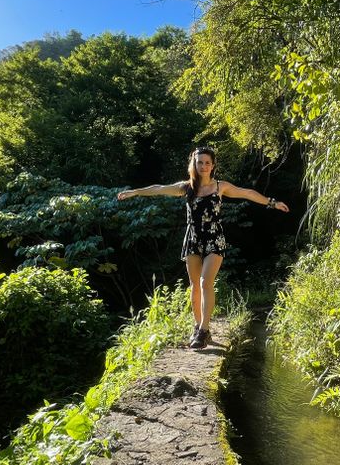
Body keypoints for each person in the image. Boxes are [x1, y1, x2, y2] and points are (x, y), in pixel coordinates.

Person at [117, 146, 289, 348]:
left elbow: (246, 192)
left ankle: (204, 330)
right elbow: (159, 188)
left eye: (207, 162)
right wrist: (135, 192)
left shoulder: (220, 187)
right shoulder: (186, 187)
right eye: (200, 162)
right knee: (194, 286)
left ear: (213, 165)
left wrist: (271, 202)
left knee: (206, 281)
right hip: (193, 239)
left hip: (214, 239)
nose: (204, 166)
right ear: (194, 164)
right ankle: (198, 327)